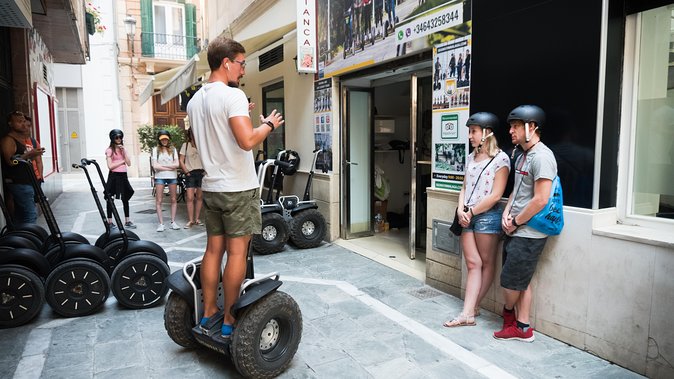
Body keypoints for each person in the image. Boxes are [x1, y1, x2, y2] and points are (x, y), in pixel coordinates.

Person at [187, 36, 284, 338]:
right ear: (227, 62)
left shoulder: (194, 101)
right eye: (242, 64)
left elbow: (203, 137)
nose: (243, 70)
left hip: (212, 187)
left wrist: (242, 113)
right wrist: (268, 124)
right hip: (238, 188)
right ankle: (229, 317)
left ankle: (208, 313)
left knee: (213, 250)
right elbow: (246, 141)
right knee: (237, 254)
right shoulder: (232, 96)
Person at [496, 105, 557, 342]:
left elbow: (541, 198)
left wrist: (516, 222)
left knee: (511, 282)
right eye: (511, 126)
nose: (510, 131)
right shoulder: (522, 154)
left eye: (516, 126)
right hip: (516, 226)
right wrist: (507, 213)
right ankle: (522, 328)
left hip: (529, 232)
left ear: (531, 127)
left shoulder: (542, 157)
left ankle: (509, 315)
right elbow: (517, 191)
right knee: (522, 281)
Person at [443, 112, 510, 328]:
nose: (470, 136)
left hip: (487, 217)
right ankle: (469, 312)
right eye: (469, 131)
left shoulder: (501, 159)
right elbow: (464, 187)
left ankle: (469, 310)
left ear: (487, 132)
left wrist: (471, 212)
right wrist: (461, 209)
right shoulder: (471, 157)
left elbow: (496, 195)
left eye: (474, 131)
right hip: (466, 216)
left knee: (487, 263)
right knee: (473, 263)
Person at [1, 111, 44, 223]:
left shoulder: (24, 140)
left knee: (22, 215)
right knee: (30, 215)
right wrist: (28, 155)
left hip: (28, 181)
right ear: (10, 124)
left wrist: (33, 156)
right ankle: (31, 239)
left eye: (24, 121)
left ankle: (22, 237)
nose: (23, 124)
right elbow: (11, 162)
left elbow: (28, 160)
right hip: (19, 182)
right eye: (19, 122)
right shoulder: (8, 140)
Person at [105, 129, 136, 229]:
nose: (118, 139)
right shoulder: (109, 150)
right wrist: (122, 162)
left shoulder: (123, 149)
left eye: (120, 137)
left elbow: (129, 163)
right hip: (114, 176)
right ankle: (110, 222)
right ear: (112, 138)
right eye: (116, 137)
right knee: (110, 198)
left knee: (126, 197)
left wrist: (123, 152)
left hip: (123, 176)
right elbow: (110, 166)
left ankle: (127, 221)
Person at [152, 130, 181, 231]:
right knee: (159, 200)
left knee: (173, 199)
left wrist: (162, 166)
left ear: (168, 139)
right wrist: (170, 167)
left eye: (166, 139)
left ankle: (173, 222)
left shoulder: (173, 150)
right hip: (160, 176)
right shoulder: (155, 150)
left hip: (172, 177)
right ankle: (161, 223)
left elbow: (177, 165)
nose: (164, 141)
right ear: (159, 140)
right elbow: (155, 165)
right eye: (162, 139)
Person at [178, 124, 204, 228]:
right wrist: (186, 172)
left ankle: (197, 219)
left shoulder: (202, 145)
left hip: (201, 173)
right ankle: (190, 220)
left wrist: (206, 171)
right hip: (190, 173)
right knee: (189, 197)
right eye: (192, 133)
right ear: (189, 134)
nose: (194, 135)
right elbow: (181, 160)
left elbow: (208, 157)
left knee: (199, 196)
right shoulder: (186, 145)